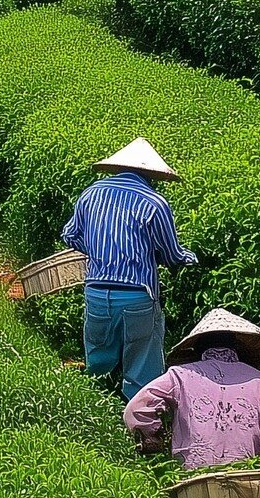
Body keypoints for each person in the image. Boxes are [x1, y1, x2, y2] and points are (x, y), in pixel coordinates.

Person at [59, 138, 195, 398]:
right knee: (142, 366)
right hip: (137, 296)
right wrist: (188, 258)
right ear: (151, 174)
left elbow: (70, 235)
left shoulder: (91, 194)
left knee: (98, 361)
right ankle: (139, 424)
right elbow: (171, 254)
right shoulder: (154, 203)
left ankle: (94, 410)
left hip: (96, 290)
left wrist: (99, 249)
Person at [125, 308, 260, 470]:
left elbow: (135, 410)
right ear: (236, 346)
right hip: (250, 479)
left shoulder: (180, 376)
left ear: (197, 347)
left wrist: (154, 445)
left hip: (193, 479)